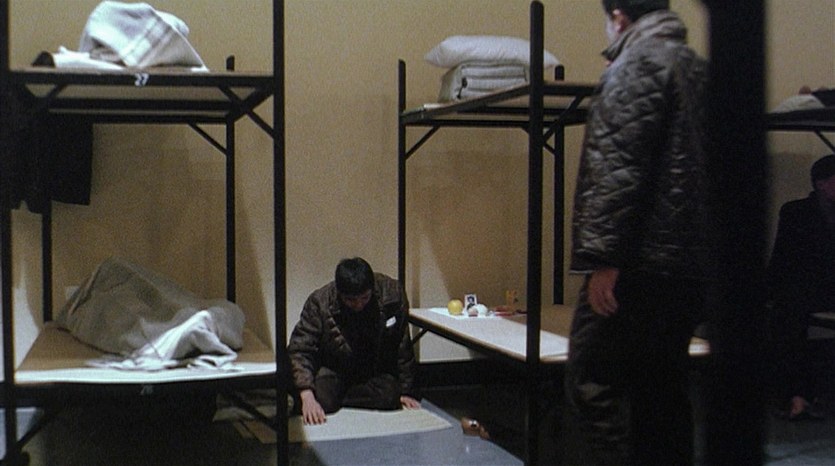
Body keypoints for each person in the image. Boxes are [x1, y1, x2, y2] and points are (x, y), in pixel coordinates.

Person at [564, 1, 712, 464]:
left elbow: (615, 168)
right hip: (689, 264)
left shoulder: (635, 65)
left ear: (619, 17)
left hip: (638, 263)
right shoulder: (699, 69)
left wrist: (603, 259)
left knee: (594, 382)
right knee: (663, 389)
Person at [287, 257, 420, 425]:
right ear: (339, 292)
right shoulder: (319, 302)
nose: (358, 305)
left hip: (372, 369)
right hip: (333, 368)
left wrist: (406, 390)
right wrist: (307, 396)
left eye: (364, 298)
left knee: (390, 395)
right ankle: (334, 398)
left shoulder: (391, 294)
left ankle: (341, 398)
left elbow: (402, 344)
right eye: (351, 300)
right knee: (322, 397)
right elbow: (300, 348)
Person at [767, 154, 835, 421]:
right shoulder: (797, 212)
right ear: (822, 183)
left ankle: (801, 396)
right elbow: (786, 258)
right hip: (807, 288)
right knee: (790, 318)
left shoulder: (799, 212)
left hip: (817, 288)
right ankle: (798, 395)